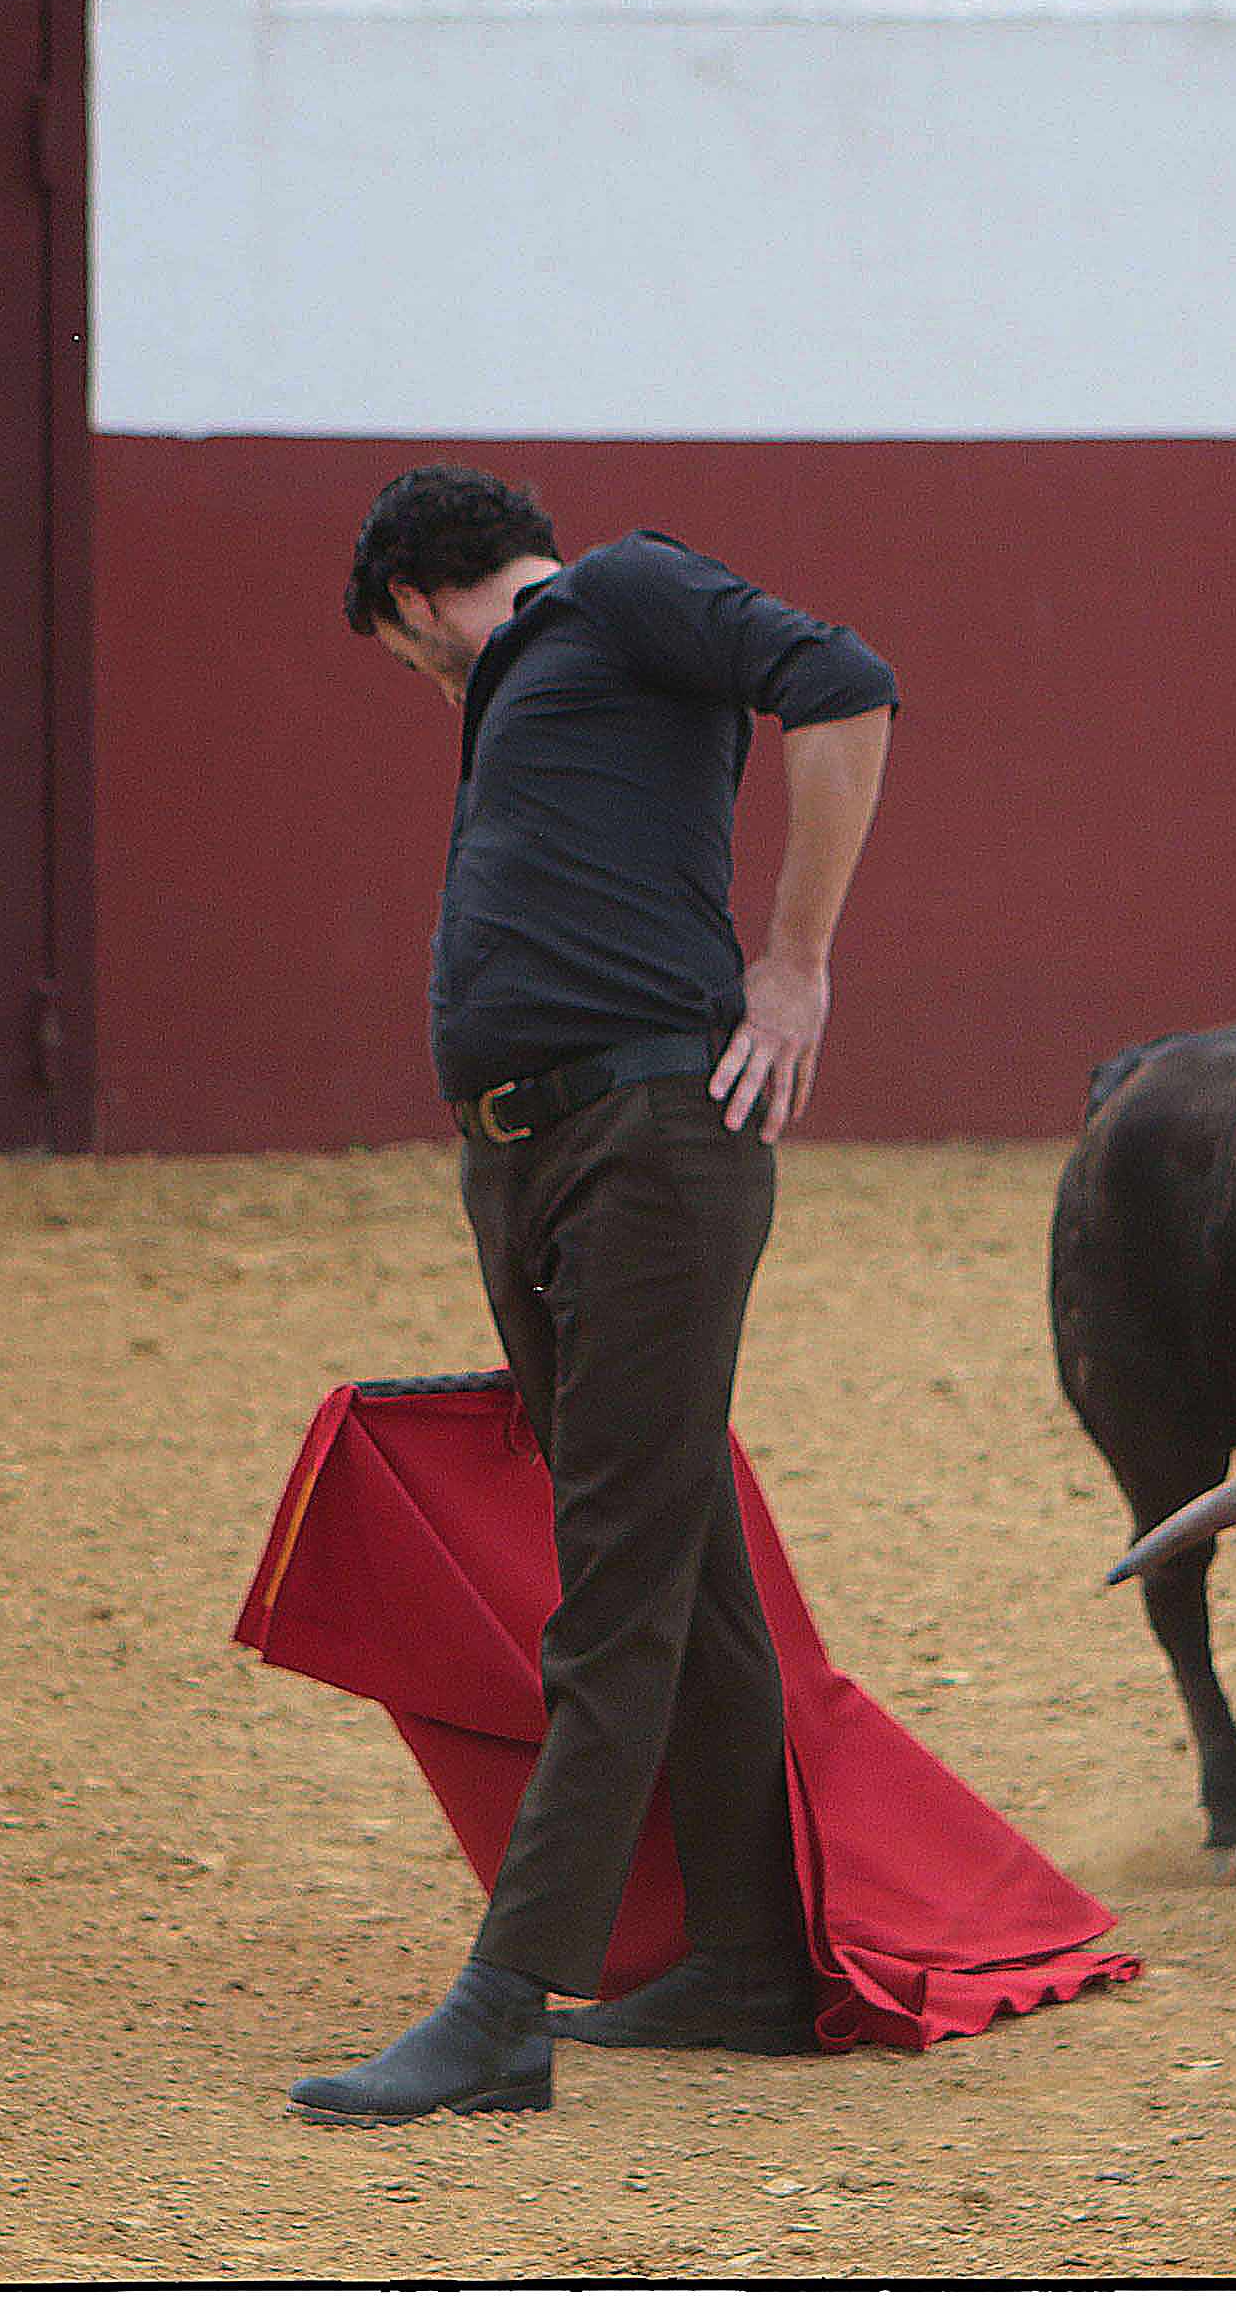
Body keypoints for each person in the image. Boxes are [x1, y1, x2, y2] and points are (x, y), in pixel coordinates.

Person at [290, 466, 896, 2123]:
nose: (430, 687)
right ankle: (757, 1962)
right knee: (677, 1559)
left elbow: (843, 682)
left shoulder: (621, 588)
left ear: (416, 601)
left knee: (615, 1579)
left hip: (651, 1140)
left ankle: (504, 2002)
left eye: (410, 661)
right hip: (539, 1150)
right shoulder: (561, 676)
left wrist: (796, 956)